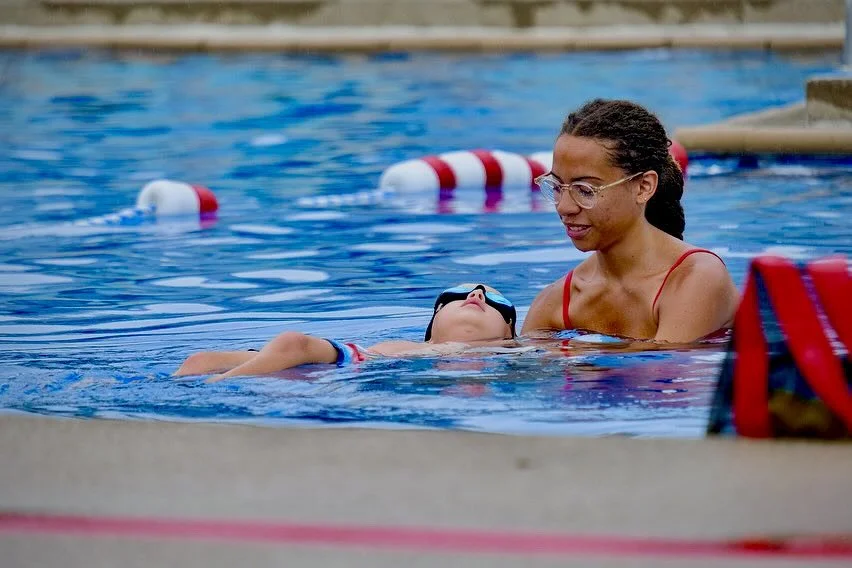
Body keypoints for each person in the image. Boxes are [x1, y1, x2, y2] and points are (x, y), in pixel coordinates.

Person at [522, 99, 739, 342]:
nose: (564, 207)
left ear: (644, 187)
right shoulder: (555, 303)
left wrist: (570, 354)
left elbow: (664, 369)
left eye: (585, 190)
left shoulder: (697, 279)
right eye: (558, 186)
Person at [175, 283, 518, 380]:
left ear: (509, 330)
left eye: (493, 300)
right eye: (457, 296)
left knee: (290, 345)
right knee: (201, 359)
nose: (475, 295)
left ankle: (211, 387)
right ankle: (209, 387)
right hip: (352, 363)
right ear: (433, 324)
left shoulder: (518, 350)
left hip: (336, 375)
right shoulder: (408, 346)